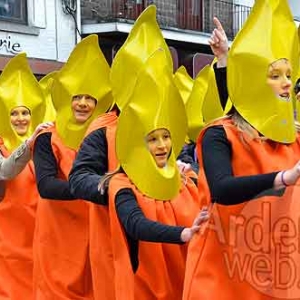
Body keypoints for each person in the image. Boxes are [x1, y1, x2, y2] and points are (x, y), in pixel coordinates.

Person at [183, 1, 300, 299]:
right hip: (223, 270)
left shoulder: (294, 139)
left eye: (289, 75)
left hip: (274, 268)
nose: (286, 84)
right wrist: (285, 177)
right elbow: (222, 188)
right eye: (276, 76)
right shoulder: (218, 135)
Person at [68, 6, 178, 300]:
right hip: (120, 240)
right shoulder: (103, 128)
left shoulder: (168, 123)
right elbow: (79, 177)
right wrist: (112, 185)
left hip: (168, 242)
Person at [103, 48, 207, 300]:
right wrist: (182, 234)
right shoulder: (121, 183)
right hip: (146, 288)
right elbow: (135, 224)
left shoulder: (186, 177)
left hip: (186, 282)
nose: (162, 146)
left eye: (166, 137)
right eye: (152, 139)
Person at [32, 34, 113, 300]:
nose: (82, 103)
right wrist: (94, 186)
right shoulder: (47, 136)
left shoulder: (105, 136)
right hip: (58, 237)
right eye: (77, 96)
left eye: (89, 98)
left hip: (94, 233)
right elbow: (46, 186)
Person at [0, 53, 52, 300]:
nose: (20, 119)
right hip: (9, 239)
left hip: (39, 235)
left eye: (25, 113)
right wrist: (29, 144)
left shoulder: (43, 144)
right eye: (14, 113)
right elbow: (6, 170)